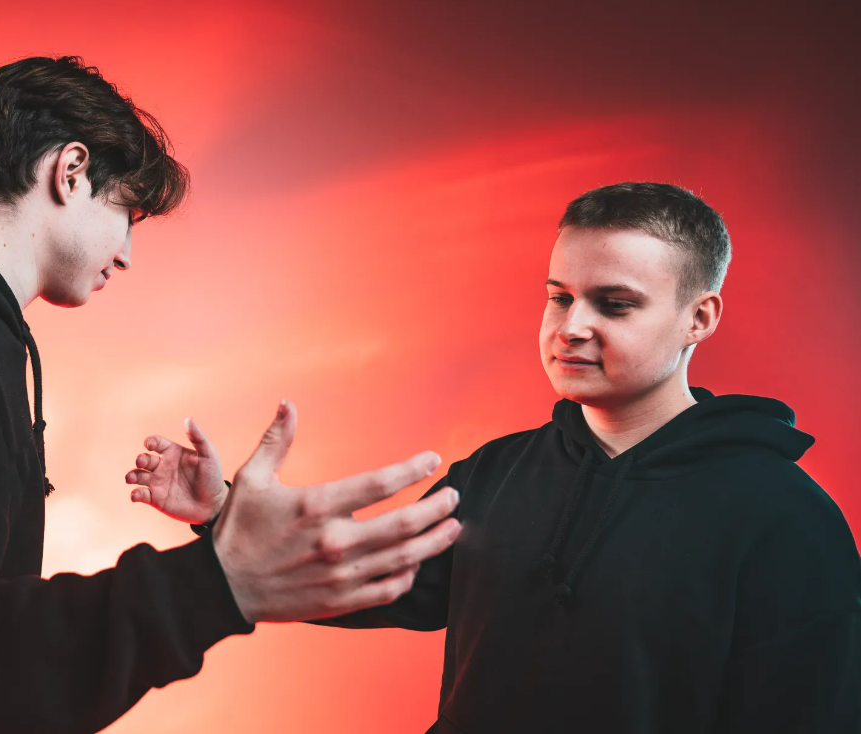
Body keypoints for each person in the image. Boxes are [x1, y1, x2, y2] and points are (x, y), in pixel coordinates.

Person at [0, 55, 465, 734]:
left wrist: (219, 525)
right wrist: (217, 582)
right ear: (71, 171)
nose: (126, 254)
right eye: (127, 214)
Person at [129, 182, 861, 733]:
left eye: (614, 304)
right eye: (559, 297)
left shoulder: (786, 517)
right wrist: (222, 510)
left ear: (698, 317)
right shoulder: (495, 471)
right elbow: (365, 581)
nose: (571, 327)